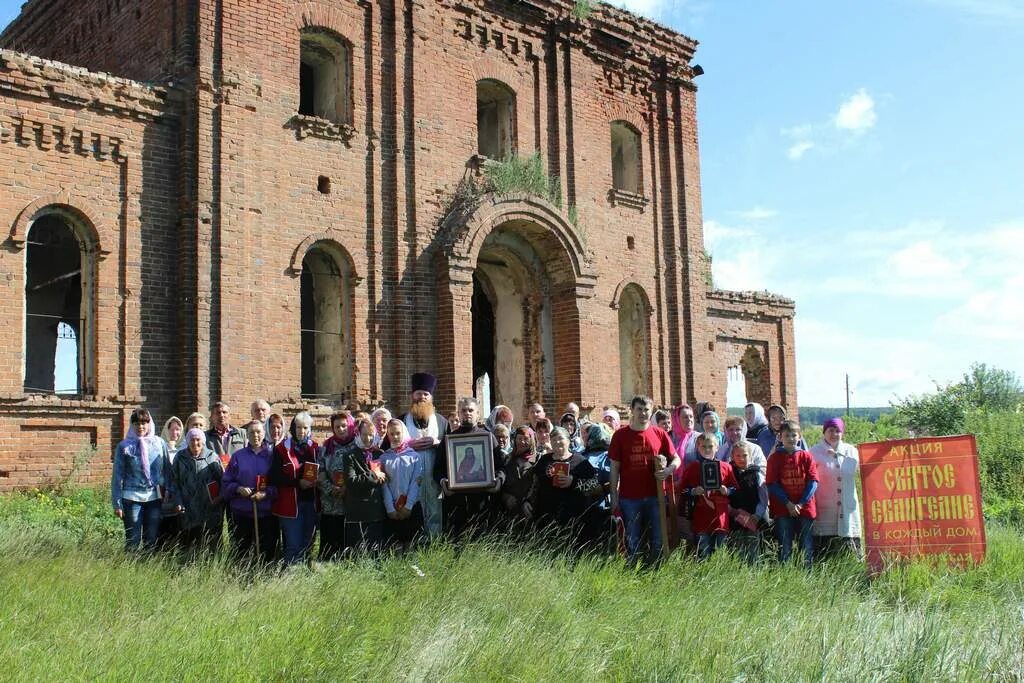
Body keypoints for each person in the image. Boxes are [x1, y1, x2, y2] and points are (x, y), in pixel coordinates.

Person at [608, 395, 679, 567]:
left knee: (657, 537)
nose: (643, 413)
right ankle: (633, 570)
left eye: (646, 409)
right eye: (639, 409)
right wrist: (614, 497)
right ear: (631, 410)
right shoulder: (620, 435)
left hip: (656, 497)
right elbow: (614, 469)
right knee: (632, 538)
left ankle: (656, 570)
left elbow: (676, 458)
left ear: (651, 411)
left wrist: (668, 470)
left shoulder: (659, 434)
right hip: (629, 497)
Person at [437, 397, 502, 540]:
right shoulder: (449, 439)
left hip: (481, 500)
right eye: (463, 410)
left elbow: (500, 466)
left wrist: (498, 481)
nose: (467, 413)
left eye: (471, 410)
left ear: (478, 413)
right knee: (456, 540)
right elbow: (438, 468)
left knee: (481, 539)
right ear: (458, 414)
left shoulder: (488, 438)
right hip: (456, 500)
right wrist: (443, 482)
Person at [398, 372, 450, 539]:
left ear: (431, 397)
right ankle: (414, 543)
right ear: (412, 395)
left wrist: (437, 443)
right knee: (414, 509)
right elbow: (389, 448)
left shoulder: (442, 422)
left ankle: (435, 544)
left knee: (436, 509)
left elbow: (451, 448)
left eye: (426, 394)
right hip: (410, 480)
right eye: (418, 393)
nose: (422, 397)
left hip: (434, 479)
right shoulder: (401, 421)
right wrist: (407, 444)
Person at [532, 426, 600, 552]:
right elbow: (535, 484)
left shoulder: (580, 461)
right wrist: (528, 501)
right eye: (553, 439)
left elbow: (595, 485)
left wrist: (573, 482)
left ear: (568, 441)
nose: (557, 442)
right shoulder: (544, 460)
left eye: (560, 438)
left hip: (573, 519)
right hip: (546, 517)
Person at [111, 408, 169, 552]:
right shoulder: (124, 446)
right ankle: (130, 570)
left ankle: (147, 569)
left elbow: (168, 470)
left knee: (151, 538)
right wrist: (117, 503)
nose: (140, 427)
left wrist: (169, 490)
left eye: (144, 423)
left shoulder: (159, 443)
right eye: (136, 423)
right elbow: (117, 475)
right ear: (132, 425)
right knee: (133, 540)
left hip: (154, 498)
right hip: (131, 498)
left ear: (149, 424)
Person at [222, 420, 278, 563]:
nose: (255, 435)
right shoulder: (238, 456)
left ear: (264, 433)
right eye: (252, 432)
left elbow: (278, 484)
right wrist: (238, 489)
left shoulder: (272, 457)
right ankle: (242, 579)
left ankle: (265, 579)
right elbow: (226, 482)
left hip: (266, 513)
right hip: (242, 513)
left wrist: (266, 494)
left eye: (258, 432)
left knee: (267, 552)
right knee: (242, 552)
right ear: (247, 435)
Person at [766, 420, 818, 568]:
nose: (790, 438)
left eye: (793, 435)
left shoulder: (806, 457)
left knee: (806, 544)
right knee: (785, 543)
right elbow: (771, 483)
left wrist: (801, 503)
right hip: (783, 508)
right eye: (786, 435)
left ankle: (807, 574)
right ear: (780, 437)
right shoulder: (774, 458)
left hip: (804, 508)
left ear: (799, 437)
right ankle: (786, 573)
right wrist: (788, 504)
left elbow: (813, 481)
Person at [270, 412, 320, 566]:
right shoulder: (281, 449)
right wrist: (298, 483)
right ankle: (290, 577)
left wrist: (319, 479)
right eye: (298, 427)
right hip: (290, 505)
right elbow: (275, 477)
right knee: (293, 544)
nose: (301, 431)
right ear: (293, 428)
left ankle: (303, 579)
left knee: (307, 544)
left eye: (305, 428)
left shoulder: (315, 448)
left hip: (311, 504)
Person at [167, 427, 225, 555]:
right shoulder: (180, 457)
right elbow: (174, 482)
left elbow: (222, 481)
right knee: (189, 544)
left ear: (203, 441)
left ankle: (212, 566)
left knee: (210, 543)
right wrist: (178, 501)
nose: (195, 443)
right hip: (188, 508)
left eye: (198, 439)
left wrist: (219, 498)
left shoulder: (212, 457)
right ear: (187, 441)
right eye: (192, 440)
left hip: (210, 508)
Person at [810, 417, 862, 560]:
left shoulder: (852, 451)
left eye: (837, 431)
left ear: (842, 432)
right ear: (824, 432)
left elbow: (868, 467)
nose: (834, 434)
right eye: (830, 430)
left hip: (847, 504)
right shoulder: (814, 452)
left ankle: (852, 564)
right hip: (825, 504)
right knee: (825, 548)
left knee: (849, 541)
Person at [680, 433, 737, 559]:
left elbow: (735, 489)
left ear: (717, 447)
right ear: (697, 448)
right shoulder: (693, 467)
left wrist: (726, 491)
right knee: (703, 551)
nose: (707, 450)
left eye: (710, 446)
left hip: (720, 516)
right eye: (703, 446)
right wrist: (694, 491)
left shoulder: (726, 467)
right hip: (701, 516)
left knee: (721, 552)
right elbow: (682, 490)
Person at [341, 418, 387, 553]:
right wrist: (373, 475)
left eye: (371, 434)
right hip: (358, 512)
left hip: (377, 511)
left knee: (376, 553)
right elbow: (351, 482)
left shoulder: (379, 454)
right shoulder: (350, 456)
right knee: (357, 553)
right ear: (358, 435)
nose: (368, 438)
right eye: (364, 434)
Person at [379, 419, 424, 550]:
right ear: (388, 435)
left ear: (404, 433)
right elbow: (384, 485)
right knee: (395, 547)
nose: (395, 437)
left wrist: (408, 506)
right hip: (392, 509)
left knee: (411, 545)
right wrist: (390, 508)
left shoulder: (415, 457)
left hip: (411, 507)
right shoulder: (384, 458)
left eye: (398, 433)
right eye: (392, 434)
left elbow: (416, 482)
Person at [316, 412, 354, 561]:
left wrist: (347, 488)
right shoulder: (326, 446)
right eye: (337, 426)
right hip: (330, 504)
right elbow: (320, 470)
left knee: (348, 544)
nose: (341, 429)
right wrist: (331, 488)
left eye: (344, 425)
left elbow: (361, 470)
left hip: (351, 504)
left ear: (349, 425)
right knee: (329, 544)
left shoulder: (357, 445)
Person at [727, 439, 768, 564]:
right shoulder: (728, 474)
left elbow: (764, 498)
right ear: (732, 457)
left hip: (753, 518)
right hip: (735, 518)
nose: (741, 458)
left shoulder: (757, 475)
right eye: (738, 456)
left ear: (750, 456)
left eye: (744, 455)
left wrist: (757, 515)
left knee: (753, 547)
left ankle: (754, 574)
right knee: (737, 548)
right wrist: (730, 511)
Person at [580, 422, 614, 550]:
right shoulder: (581, 456)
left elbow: (618, 479)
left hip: (608, 505)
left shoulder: (612, 456)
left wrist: (603, 488)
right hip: (586, 505)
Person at [498, 425, 538, 529]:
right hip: (510, 510)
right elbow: (502, 481)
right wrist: (505, 497)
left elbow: (538, 484)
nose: (522, 442)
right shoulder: (508, 459)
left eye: (526, 439)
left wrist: (528, 501)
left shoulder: (538, 459)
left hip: (530, 509)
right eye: (519, 438)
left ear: (532, 441)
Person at [157, 415, 185, 546]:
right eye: (172, 429)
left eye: (178, 429)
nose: (175, 433)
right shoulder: (159, 448)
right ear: (166, 430)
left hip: (180, 495)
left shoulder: (185, 449)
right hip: (164, 494)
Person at [206, 401, 246, 466]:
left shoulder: (242, 434)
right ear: (212, 417)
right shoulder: (205, 436)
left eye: (224, 412)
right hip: (215, 474)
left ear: (229, 416)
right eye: (218, 413)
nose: (221, 415)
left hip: (237, 474)